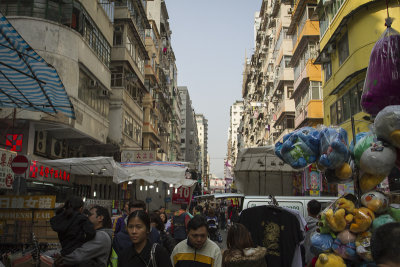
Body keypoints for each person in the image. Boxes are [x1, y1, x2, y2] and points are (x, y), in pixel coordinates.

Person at [304, 200, 321, 265]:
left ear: (308, 209)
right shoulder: (321, 226)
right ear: (319, 211)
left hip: (303, 258)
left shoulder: (301, 223)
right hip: (315, 260)